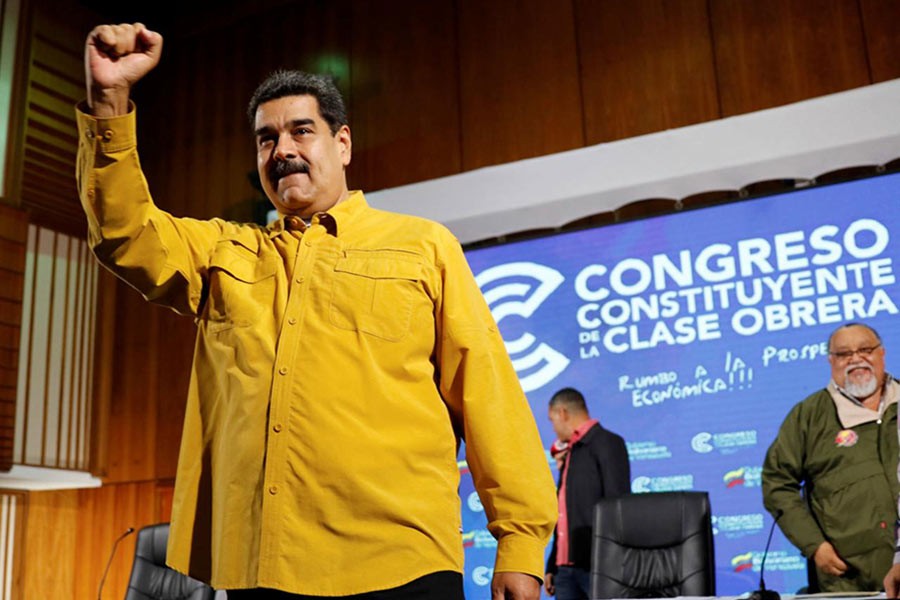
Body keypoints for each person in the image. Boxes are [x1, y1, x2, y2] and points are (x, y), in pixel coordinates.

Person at [78, 23, 558, 600]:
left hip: (403, 563)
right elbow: (124, 233)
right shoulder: (224, 253)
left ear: (343, 144)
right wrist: (110, 101)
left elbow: (487, 393)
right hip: (264, 567)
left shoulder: (423, 246)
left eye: (301, 131)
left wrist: (521, 544)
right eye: (265, 139)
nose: (282, 149)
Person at [762, 322, 898, 593]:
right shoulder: (809, 416)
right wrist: (814, 545)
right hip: (850, 580)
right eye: (844, 354)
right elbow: (777, 483)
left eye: (865, 349)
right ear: (830, 361)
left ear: (882, 353)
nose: (856, 358)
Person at [543, 387, 630, 599]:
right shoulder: (570, 452)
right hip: (564, 571)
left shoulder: (607, 442)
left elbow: (617, 504)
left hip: (598, 566)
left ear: (563, 413)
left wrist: (612, 562)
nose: (553, 428)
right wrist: (553, 563)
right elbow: (563, 515)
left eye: (552, 420)